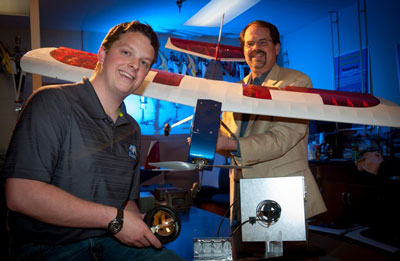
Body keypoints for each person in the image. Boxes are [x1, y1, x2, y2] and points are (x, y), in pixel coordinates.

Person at [1, 21, 183, 260]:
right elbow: (21, 194)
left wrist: (140, 225)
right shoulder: (52, 102)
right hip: (48, 248)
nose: (134, 66)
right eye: (126, 52)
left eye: (144, 63)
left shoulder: (132, 129)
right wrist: (115, 219)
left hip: (110, 243)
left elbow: (126, 201)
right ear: (102, 54)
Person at [216, 20, 327, 225]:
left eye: (263, 42)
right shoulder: (234, 90)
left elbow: (283, 137)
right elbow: (230, 144)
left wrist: (228, 144)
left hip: (281, 187)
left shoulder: (297, 83)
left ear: (276, 48)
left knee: (283, 254)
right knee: (244, 254)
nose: (255, 48)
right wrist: (209, 140)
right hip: (240, 191)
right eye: (250, 44)